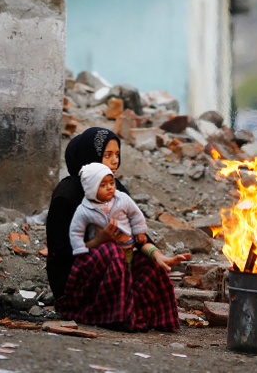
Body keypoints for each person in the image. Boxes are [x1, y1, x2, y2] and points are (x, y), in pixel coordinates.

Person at [46, 127, 190, 332]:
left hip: (113, 274)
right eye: (107, 155)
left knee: (147, 263)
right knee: (111, 251)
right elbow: (62, 254)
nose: (115, 161)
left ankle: (131, 312)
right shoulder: (67, 196)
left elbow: (137, 233)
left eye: (117, 155)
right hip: (73, 284)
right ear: (90, 157)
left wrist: (157, 255)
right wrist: (100, 241)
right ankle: (110, 312)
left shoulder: (115, 189)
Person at [70, 162, 147, 265]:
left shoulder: (122, 199)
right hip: (102, 250)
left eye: (111, 183)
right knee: (110, 270)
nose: (109, 187)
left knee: (126, 268)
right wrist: (79, 248)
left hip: (126, 245)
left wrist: (139, 231)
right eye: (103, 185)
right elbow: (76, 230)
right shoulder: (85, 209)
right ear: (91, 188)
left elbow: (135, 214)